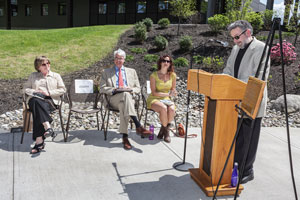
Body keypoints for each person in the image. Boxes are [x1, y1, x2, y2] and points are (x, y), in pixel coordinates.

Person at [223, 20, 270, 184]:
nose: (235, 41)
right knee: (238, 139)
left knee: (248, 138)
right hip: (236, 100)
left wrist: (234, 84)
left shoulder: (261, 48)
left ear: (248, 32)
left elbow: (259, 77)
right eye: (233, 38)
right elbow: (228, 70)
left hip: (253, 100)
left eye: (237, 37)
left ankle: (247, 170)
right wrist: (222, 80)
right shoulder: (236, 48)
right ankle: (235, 166)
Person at [100, 48, 152, 150]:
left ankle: (125, 137)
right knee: (125, 95)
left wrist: (130, 89)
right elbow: (101, 88)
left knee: (125, 101)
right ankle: (138, 125)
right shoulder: (106, 72)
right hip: (113, 99)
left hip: (127, 101)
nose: (118, 60)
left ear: (124, 60)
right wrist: (114, 89)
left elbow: (137, 88)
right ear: (114, 59)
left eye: (121, 58)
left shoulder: (132, 72)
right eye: (117, 58)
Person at [23, 56, 66, 154]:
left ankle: (39, 142)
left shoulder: (56, 75)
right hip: (36, 99)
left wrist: (49, 93)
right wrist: (35, 91)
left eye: (48, 63)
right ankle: (47, 127)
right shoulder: (33, 76)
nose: (47, 65)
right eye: (44, 64)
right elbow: (24, 89)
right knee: (36, 101)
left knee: (36, 108)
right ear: (38, 67)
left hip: (50, 101)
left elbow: (63, 89)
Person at [146, 55, 177, 143]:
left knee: (171, 109)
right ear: (160, 62)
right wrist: (168, 93)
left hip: (166, 99)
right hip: (154, 98)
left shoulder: (173, 75)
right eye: (164, 61)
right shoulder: (154, 75)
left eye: (168, 61)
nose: (166, 63)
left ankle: (163, 128)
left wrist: (174, 93)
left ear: (170, 64)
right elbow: (154, 92)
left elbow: (173, 89)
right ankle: (166, 132)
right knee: (163, 108)